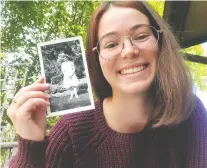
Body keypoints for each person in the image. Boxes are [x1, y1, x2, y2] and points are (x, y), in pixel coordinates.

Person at [7, 1, 207, 168]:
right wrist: (30, 146)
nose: (129, 51)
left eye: (141, 36)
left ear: (160, 42)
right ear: (96, 59)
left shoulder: (190, 113)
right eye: (111, 44)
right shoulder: (72, 133)